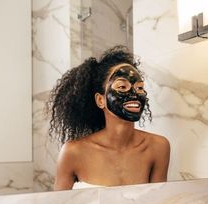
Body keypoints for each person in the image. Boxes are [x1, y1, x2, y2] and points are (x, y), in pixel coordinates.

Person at [48, 46, 170, 190]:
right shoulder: (73, 152)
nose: (134, 94)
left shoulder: (158, 147)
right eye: (122, 87)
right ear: (101, 100)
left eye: (139, 88)